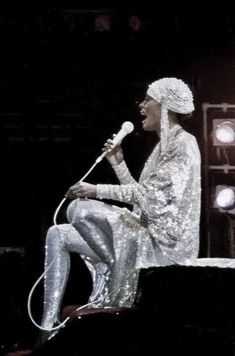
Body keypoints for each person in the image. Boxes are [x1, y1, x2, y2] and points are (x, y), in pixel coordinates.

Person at [40, 77, 201, 333]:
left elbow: (148, 197)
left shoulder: (183, 144)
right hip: (144, 235)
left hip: (163, 247)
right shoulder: (165, 145)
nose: (141, 105)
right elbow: (145, 199)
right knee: (57, 233)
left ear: (165, 106)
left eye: (148, 99)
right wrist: (118, 164)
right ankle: (47, 328)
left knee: (79, 208)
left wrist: (96, 190)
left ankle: (118, 274)